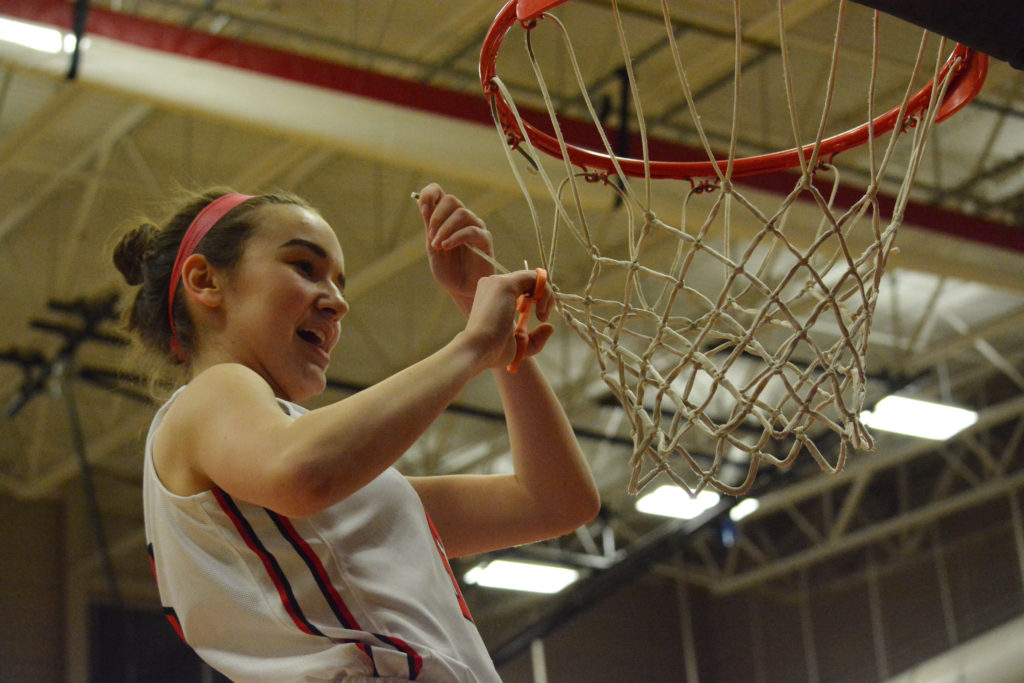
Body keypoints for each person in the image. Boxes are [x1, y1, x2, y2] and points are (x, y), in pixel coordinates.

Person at [112, 182, 600, 682]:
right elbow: (301, 472)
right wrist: (473, 344)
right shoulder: (212, 393)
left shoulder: (312, 503)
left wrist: (499, 339)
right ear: (205, 281)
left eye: (340, 282)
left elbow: (554, 501)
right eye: (304, 267)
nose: (339, 302)